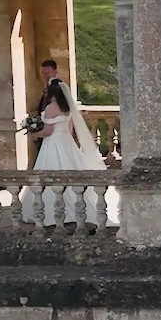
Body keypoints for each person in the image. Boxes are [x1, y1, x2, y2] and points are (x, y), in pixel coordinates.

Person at [24, 59, 107, 225]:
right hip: (66, 142)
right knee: (70, 168)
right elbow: (69, 128)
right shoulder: (68, 108)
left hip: (52, 143)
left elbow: (48, 131)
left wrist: (34, 133)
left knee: (49, 174)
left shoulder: (50, 108)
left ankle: (51, 211)